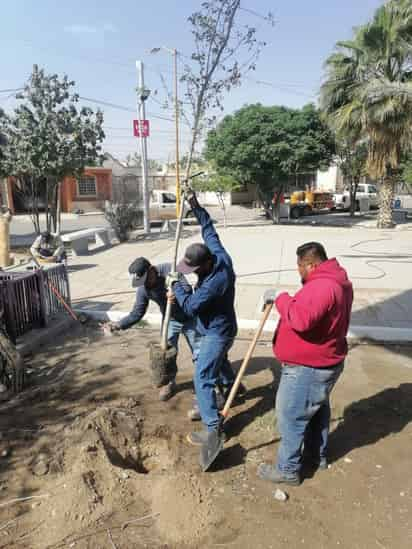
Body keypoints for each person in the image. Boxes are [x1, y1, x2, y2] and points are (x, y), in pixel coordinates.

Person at [258, 242, 353, 486]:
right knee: (316, 412)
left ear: (312, 264)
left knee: (291, 415)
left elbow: (301, 319)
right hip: (321, 362)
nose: (298, 271)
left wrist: (281, 299)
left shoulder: (324, 285)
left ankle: (288, 469)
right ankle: (315, 456)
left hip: (309, 368)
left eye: (300, 266)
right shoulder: (332, 280)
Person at [170, 190, 244, 446]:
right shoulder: (219, 256)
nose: (189, 272)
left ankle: (213, 427)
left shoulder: (214, 284)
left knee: (202, 375)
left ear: (204, 266)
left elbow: (190, 308)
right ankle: (232, 385)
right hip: (220, 325)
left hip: (218, 332)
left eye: (191, 270)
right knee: (218, 361)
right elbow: (209, 230)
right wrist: (195, 206)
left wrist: (177, 285)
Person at [106, 257, 199, 401]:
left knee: (198, 354)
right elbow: (137, 313)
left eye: (145, 280)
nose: (144, 285)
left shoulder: (170, 270)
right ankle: (169, 383)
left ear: (152, 270)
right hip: (170, 320)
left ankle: (202, 384)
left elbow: (187, 290)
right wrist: (118, 324)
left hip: (190, 318)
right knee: (165, 355)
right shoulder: (143, 289)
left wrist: (177, 293)